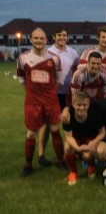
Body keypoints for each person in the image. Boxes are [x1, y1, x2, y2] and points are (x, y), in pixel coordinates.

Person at [17, 28, 64, 177]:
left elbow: (59, 80)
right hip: (32, 102)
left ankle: (60, 161)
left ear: (46, 40)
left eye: (41, 38)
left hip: (51, 101)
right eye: (35, 38)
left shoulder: (55, 58)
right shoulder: (23, 58)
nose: (38, 41)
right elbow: (21, 78)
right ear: (30, 39)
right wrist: (32, 93)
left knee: (56, 131)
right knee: (31, 134)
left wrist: (49, 93)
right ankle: (28, 165)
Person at [38, 25, 79, 167]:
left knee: (70, 123)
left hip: (68, 94)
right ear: (54, 37)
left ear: (67, 37)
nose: (62, 38)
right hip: (52, 94)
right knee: (47, 125)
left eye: (64, 35)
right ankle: (41, 155)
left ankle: (73, 151)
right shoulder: (47, 52)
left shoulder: (73, 53)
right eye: (59, 35)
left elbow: (76, 71)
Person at [63, 91, 106, 185]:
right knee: (67, 147)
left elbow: (103, 133)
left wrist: (94, 142)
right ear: (73, 104)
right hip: (75, 139)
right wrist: (78, 148)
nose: (82, 107)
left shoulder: (95, 115)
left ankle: (91, 165)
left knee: (87, 156)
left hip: (90, 139)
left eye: (84, 105)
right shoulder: (67, 116)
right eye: (79, 104)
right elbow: (68, 137)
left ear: (88, 104)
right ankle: (74, 172)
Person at [79, 26, 106, 96]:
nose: (105, 40)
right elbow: (80, 71)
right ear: (98, 38)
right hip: (92, 91)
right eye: (103, 37)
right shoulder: (88, 52)